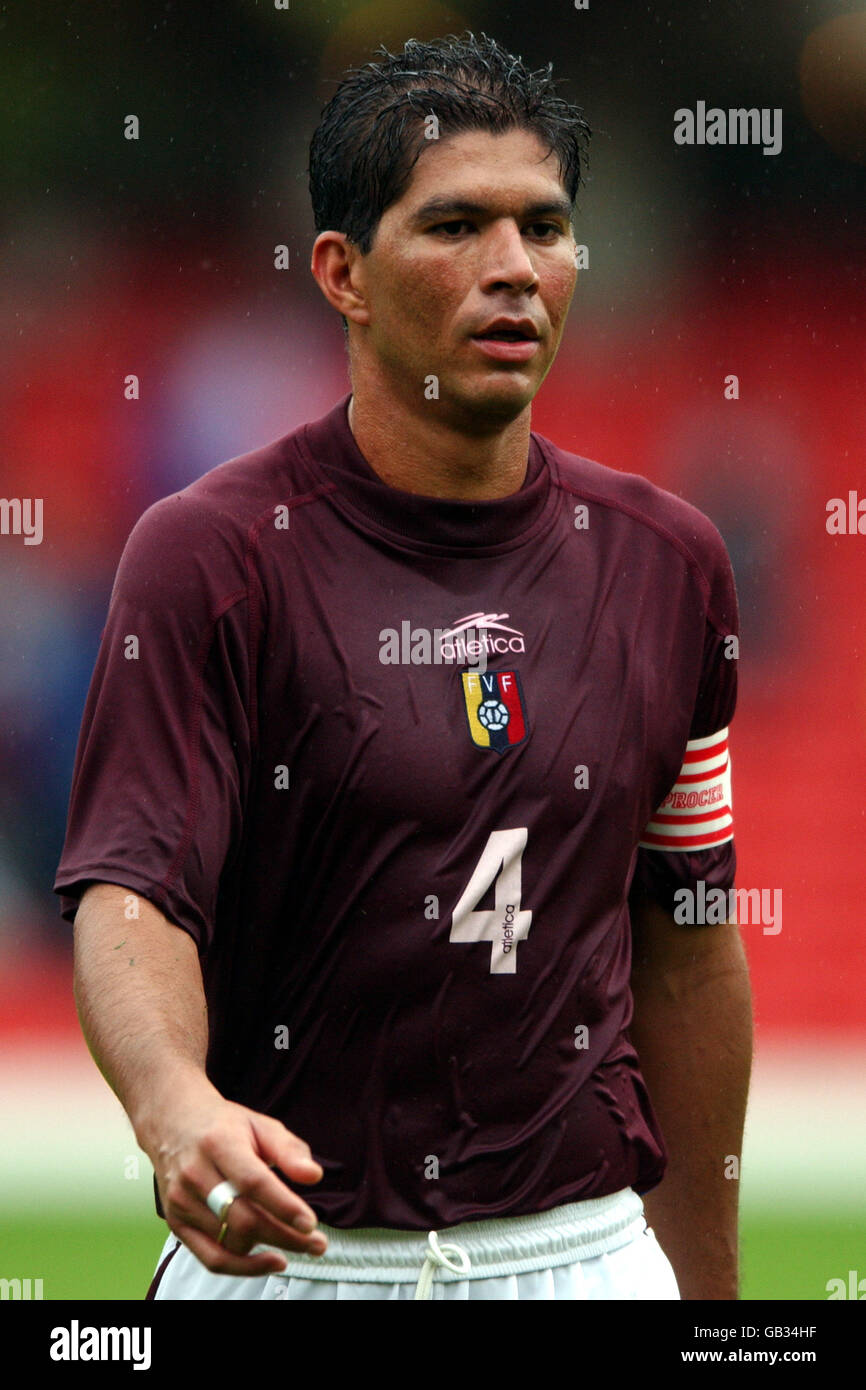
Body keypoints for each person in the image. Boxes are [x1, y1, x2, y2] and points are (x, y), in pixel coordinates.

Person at [54, 31, 752, 1302]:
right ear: (342, 272)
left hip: (582, 1258)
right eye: (455, 227)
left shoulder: (669, 563)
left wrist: (711, 1306)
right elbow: (130, 891)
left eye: (544, 227)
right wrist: (175, 1109)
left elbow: (689, 936)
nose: (512, 271)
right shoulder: (209, 556)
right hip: (290, 1264)